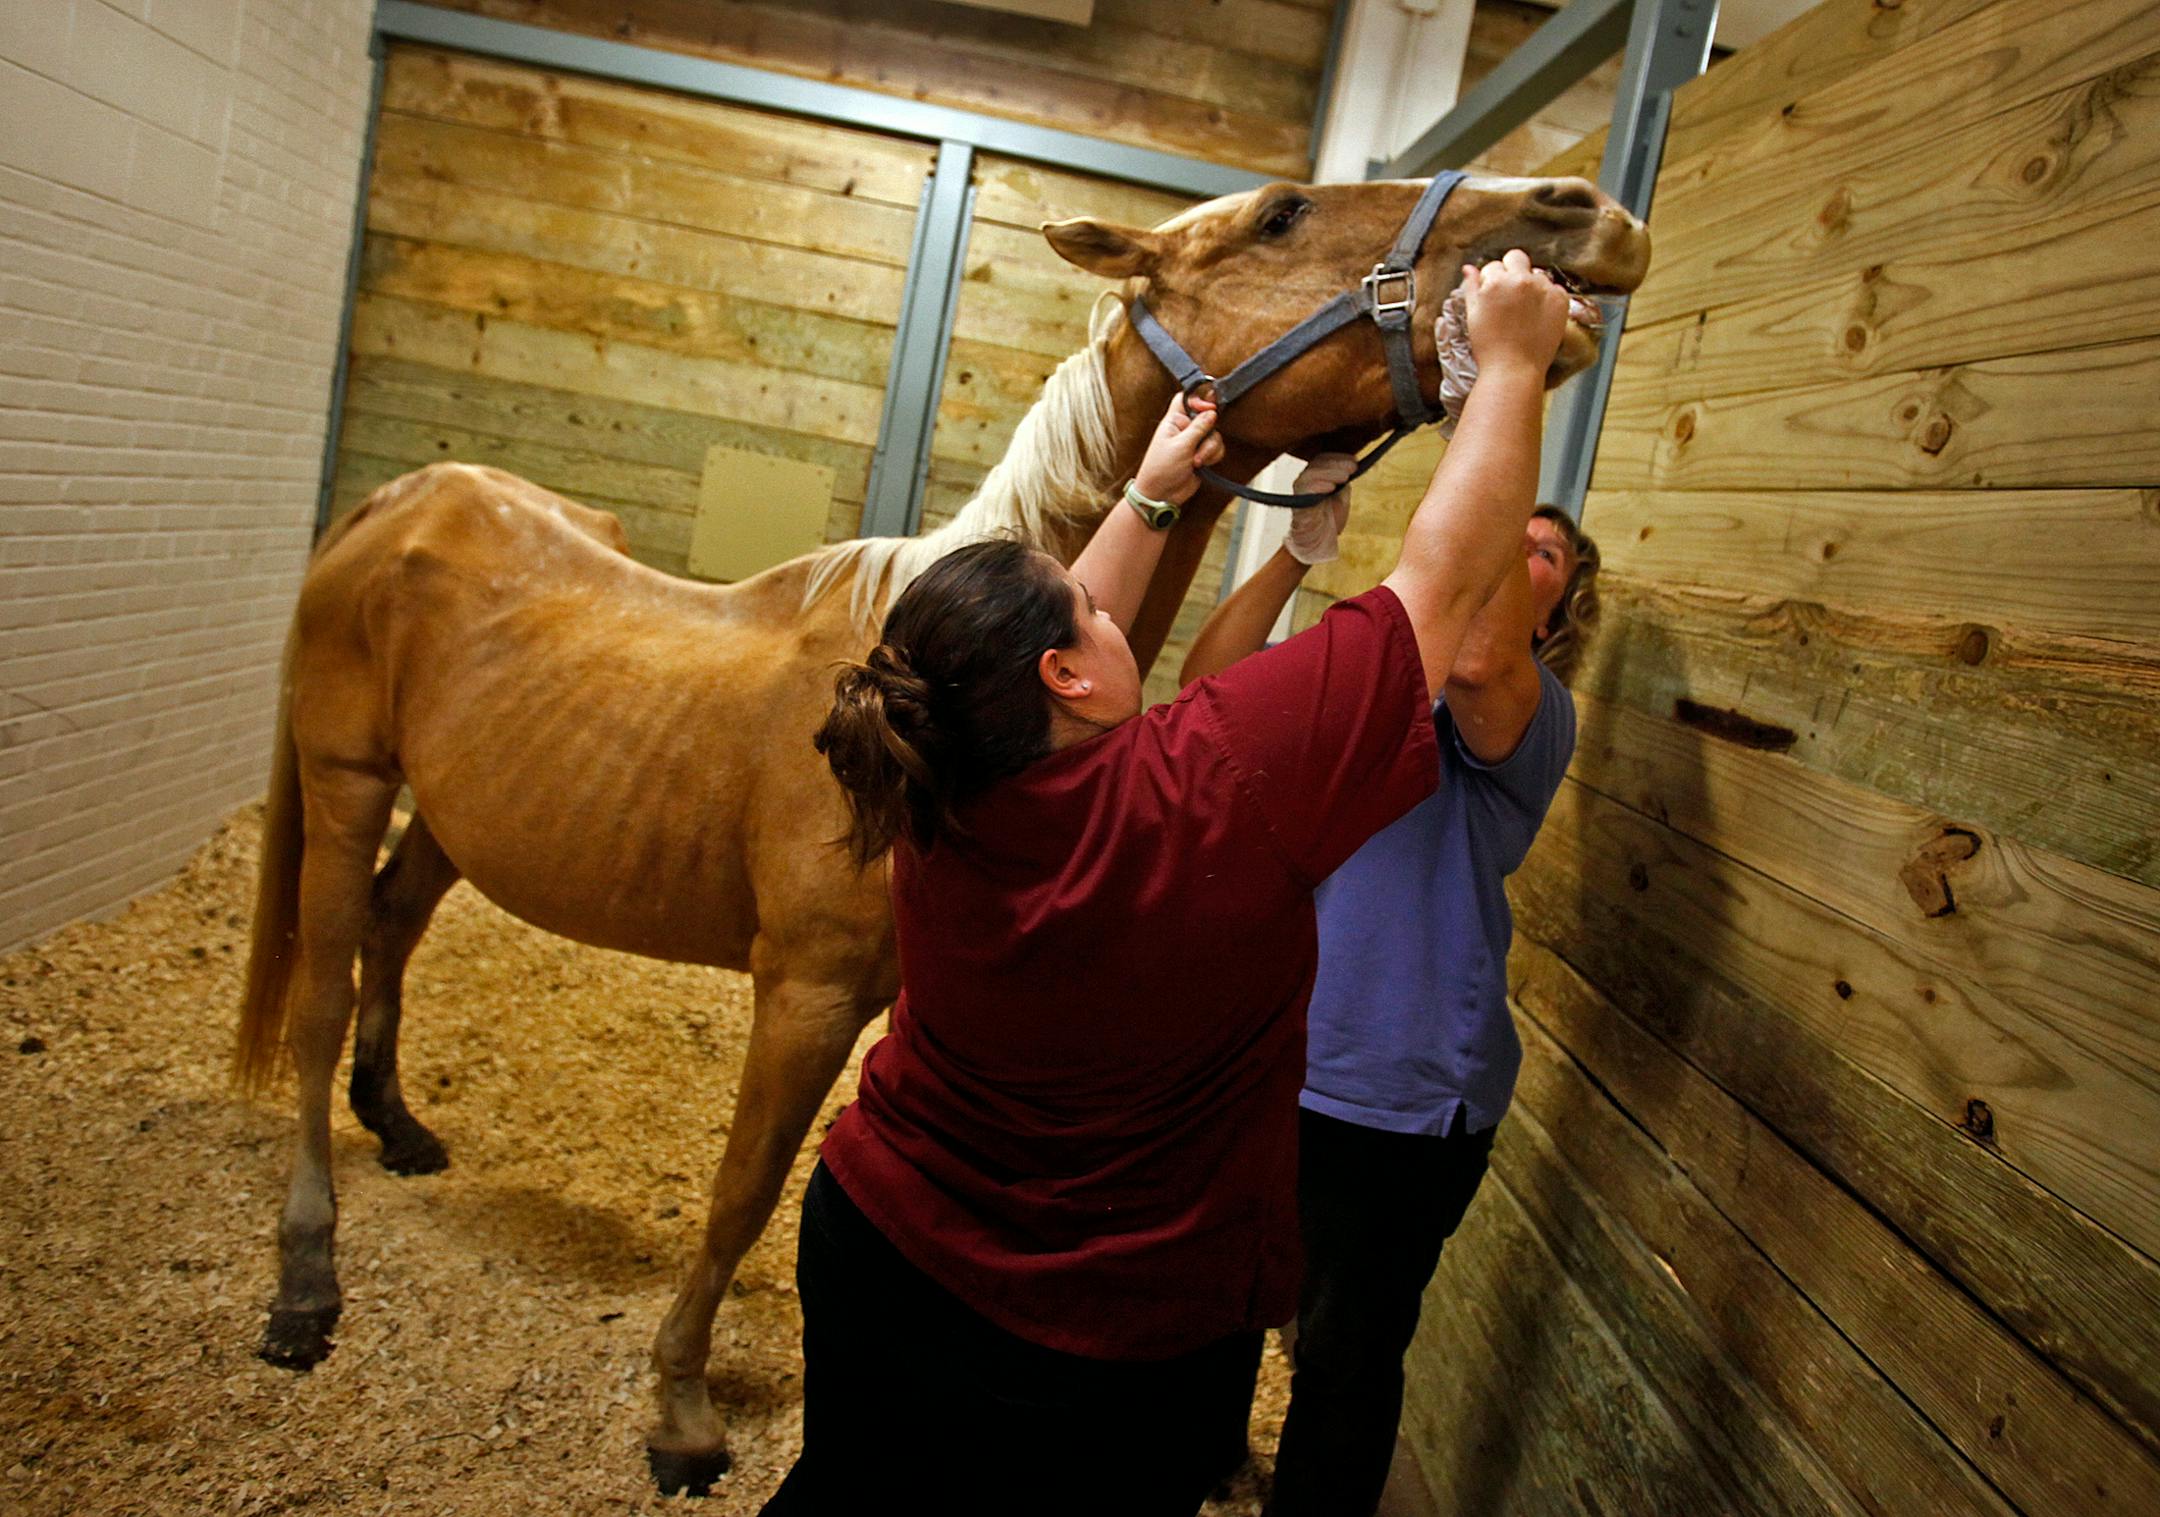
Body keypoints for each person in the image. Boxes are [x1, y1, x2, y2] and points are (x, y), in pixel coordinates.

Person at [760, 251, 1573, 1517]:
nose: (1104, 616)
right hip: (1094, 1336)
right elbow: (1440, 588)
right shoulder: (1214, 779)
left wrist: (1147, 499)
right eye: (1081, 621)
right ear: (1065, 680)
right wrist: (1515, 365)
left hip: (880, 1235)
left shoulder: (935, 774)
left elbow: (1053, 629)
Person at [1178, 425, 1601, 1516]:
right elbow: (1208, 689)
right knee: (1222, 1293)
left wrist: (1491, 418)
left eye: (1540, 551)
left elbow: (1474, 647)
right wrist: (1297, 554)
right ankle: (1204, 1459)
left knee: (1345, 1351)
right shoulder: (1369, 700)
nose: (1516, 546)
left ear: (1553, 617)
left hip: (1402, 1101)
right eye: (1513, 530)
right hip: (1279, 1059)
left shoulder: (1526, 719)